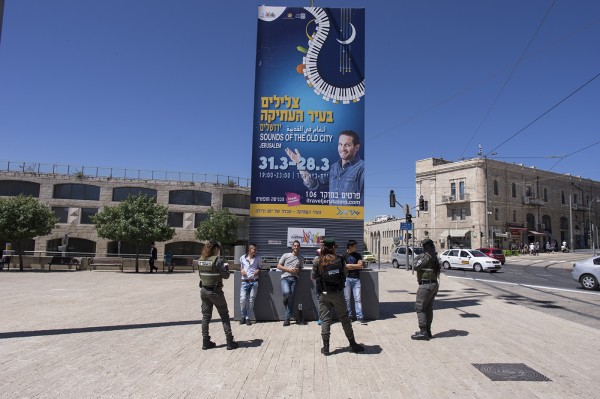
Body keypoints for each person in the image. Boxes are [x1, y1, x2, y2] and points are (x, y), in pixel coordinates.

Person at [312, 237, 364, 355]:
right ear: (333, 247)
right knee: (344, 319)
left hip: (323, 294)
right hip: (338, 294)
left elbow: (313, 277)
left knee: (325, 320)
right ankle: (353, 344)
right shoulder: (340, 260)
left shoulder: (318, 261)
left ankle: (326, 348)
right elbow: (345, 273)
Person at [285, 130, 364, 206]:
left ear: (356, 147)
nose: (342, 148)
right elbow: (314, 184)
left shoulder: (362, 168)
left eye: (347, 145)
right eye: (340, 144)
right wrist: (300, 164)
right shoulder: (334, 167)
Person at [197, 241, 238, 350]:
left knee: (205, 317)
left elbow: (201, 275)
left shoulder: (200, 260)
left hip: (204, 291)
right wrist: (226, 268)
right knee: (224, 315)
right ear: (215, 249)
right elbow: (226, 276)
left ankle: (205, 341)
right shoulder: (217, 260)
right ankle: (230, 341)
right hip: (216, 292)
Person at [411, 238, 441, 341]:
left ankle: (423, 331)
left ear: (425, 247)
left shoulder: (425, 256)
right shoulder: (435, 257)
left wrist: (417, 257)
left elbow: (416, 266)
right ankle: (428, 330)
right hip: (434, 284)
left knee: (420, 307)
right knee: (428, 308)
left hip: (425, 285)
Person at [277, 240, 304, 326]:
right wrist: (289, 269)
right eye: (295, 246)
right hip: (285, 278)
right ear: (292, 247)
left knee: (291, 300)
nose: (296, 247)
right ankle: (285, 297)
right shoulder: (286, 255)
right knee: (287, 293)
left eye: (298, 246)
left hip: (294, 279)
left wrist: (297, 270)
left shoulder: (301, 258)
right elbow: (279, 266)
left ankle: (287, 319)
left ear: (299, 247)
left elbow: (300, 268)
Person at [342, 239, 366, 325]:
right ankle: (349, 316)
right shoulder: (343, 255)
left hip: (356, 279)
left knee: (358, 298)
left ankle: (360, 317)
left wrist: (350, 266)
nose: (356, 248)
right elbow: (344, 267)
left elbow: (360, 266)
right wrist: (355, 266)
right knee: (347, 299)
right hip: (347, 279)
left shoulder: (358, 255)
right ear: (350, 247)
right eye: (354, 246)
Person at [239, 244, 262, 326]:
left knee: (251, 300)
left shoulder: (258, 258)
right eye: (254, 249)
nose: (256, 251)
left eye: (256, 250)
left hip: (254, 281)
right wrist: (241, 270)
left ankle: (248, 317)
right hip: (244, 281)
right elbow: (241, 267)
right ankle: (243, 316)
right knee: (243, 299)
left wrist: (258, 271)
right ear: (249, 250)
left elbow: (260, 268)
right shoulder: (242, 258)